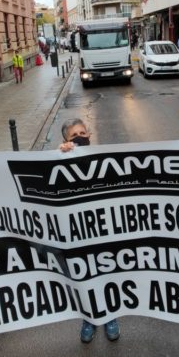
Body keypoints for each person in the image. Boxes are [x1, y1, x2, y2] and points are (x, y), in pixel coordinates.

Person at [58, 118, 121, 344]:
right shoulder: (60, 160)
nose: (80, 138)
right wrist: (60, 155)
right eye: (74, 136)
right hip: (77, 237)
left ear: (90, 135)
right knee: (83, 278)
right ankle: (89, 318)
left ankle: (110, 316)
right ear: (65, 141)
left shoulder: (103, 159)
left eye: (82, 133)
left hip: (103, 233)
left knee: (106, 276)